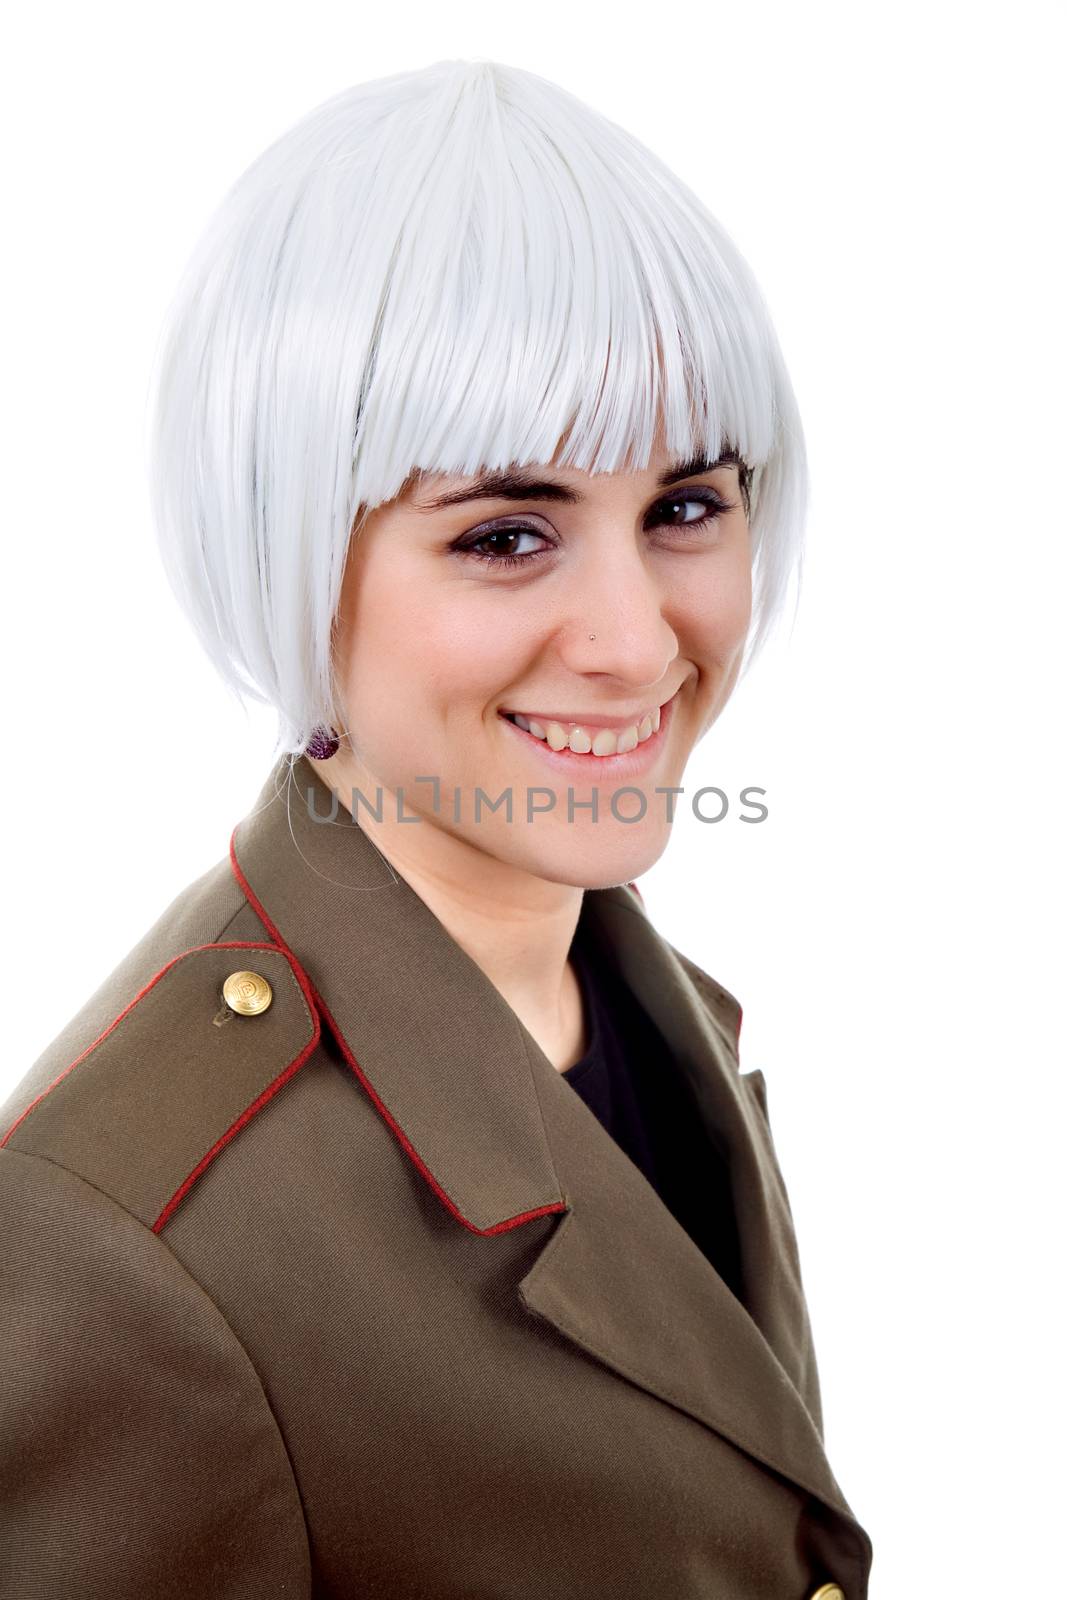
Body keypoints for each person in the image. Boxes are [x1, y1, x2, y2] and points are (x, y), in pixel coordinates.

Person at [0, 57, 873, 1600]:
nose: (633, 640)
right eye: (507, 534)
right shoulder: (118, 1244)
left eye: (686, 507)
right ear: (289, 553)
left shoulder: (643, 1008)